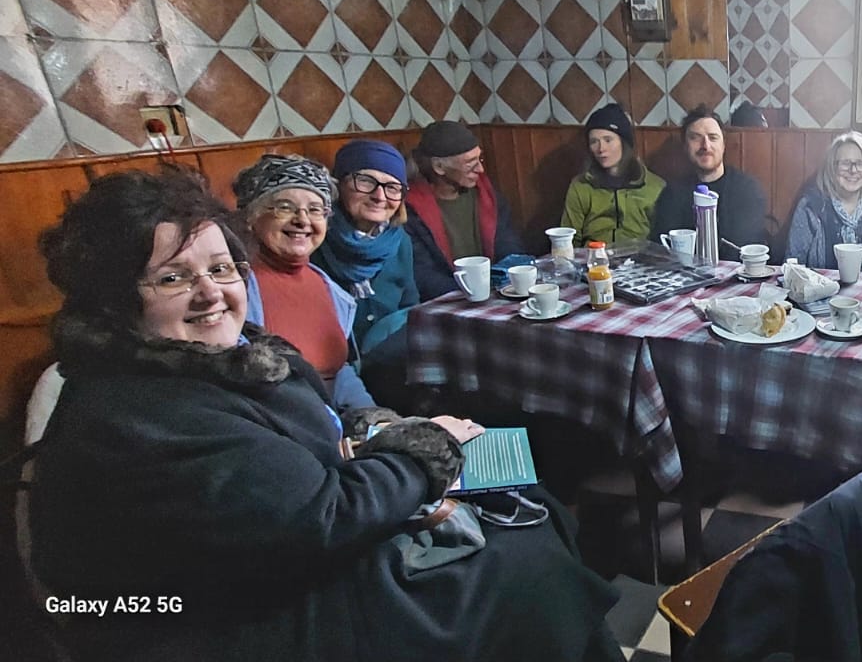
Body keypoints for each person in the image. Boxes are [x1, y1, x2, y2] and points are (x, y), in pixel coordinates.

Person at [28, 167, 624, 661]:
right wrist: (422, 454)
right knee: (523, 564)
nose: (210, 293)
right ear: (114, 300)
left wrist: (378, 438)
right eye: (172, 278)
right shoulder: (141, 411)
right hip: (208, 623)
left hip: (265, 566)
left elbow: (305, 447)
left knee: (526, 503)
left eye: (220, 268)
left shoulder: (217, 358)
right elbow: (321, 517)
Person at [233, 154, 374, 412]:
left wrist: (375, 419)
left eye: (315, 210)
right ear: (251, 217)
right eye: (285, 207)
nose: (302, 220)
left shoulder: (327, 286)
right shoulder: (234, 289)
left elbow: (337, 371)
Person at [310, 140, 419, 407]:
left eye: (392, 187)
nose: (379, 196)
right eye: (366, 181)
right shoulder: (313, 242)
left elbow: (410, 306)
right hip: (333, 377)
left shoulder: (399, 241)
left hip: (392, 367)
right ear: (339, 185)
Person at [405, 121, 523, 300]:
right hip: (449, 299)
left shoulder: (486, 195)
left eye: (480, 160)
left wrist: (506, 276)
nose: (480, 169)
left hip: (494, 291)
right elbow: (422, 273)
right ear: (439, 167)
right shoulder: (411, 209)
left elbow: (508, 243)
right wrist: (471, 291)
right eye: (470, 163)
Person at [651, 105, 770, 259]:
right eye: (695, 138)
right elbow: (660, 246)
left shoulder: (747, 190)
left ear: (723, 145)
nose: (705, 146)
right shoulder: (672, 193)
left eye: (713, 138)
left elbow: (746, 246)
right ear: (685, 146)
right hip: (684, 272)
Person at [786, 130, 862, 271]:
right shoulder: (811, 208)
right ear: (831, 168)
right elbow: (792, 265)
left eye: (860, 163)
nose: (853, 170)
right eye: (845, 163)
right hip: (819, 285)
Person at [562, 103, 666, 245]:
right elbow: (569, 238)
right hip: (594, 255)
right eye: (594, 141)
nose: (601, 149)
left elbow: (662, 240)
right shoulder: (581, 186)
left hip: (639, 256)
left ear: (624, 142)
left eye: (608, 140)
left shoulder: (655, 186)